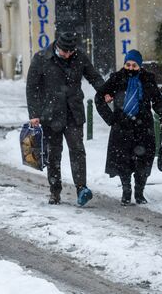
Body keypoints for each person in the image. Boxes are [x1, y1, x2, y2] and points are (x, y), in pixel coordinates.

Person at [26, 32, 104, 205]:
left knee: (77, 151)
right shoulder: (41, 58)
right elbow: (32, 88)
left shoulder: (79, 56)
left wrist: (105, 92)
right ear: (56, 46)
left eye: (71, 51)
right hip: (50, 114)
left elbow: (93, 76)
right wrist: (34, 115)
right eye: (64, 52)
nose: (67, 55)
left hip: (73, 112)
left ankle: (81, 188)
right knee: (54, 154)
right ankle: (55, 191)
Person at [95, 50, 162, 205]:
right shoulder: (116, 78)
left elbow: (157, 100)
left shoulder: (148, 79)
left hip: (144, 127)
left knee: (144, 160)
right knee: (124, 160)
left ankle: (139, 192)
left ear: (140, 66)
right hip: (122, 126)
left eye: (134, 65)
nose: (130, 68)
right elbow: (99, 98)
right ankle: (126, 190)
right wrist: (110, 118)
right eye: (128, 64)